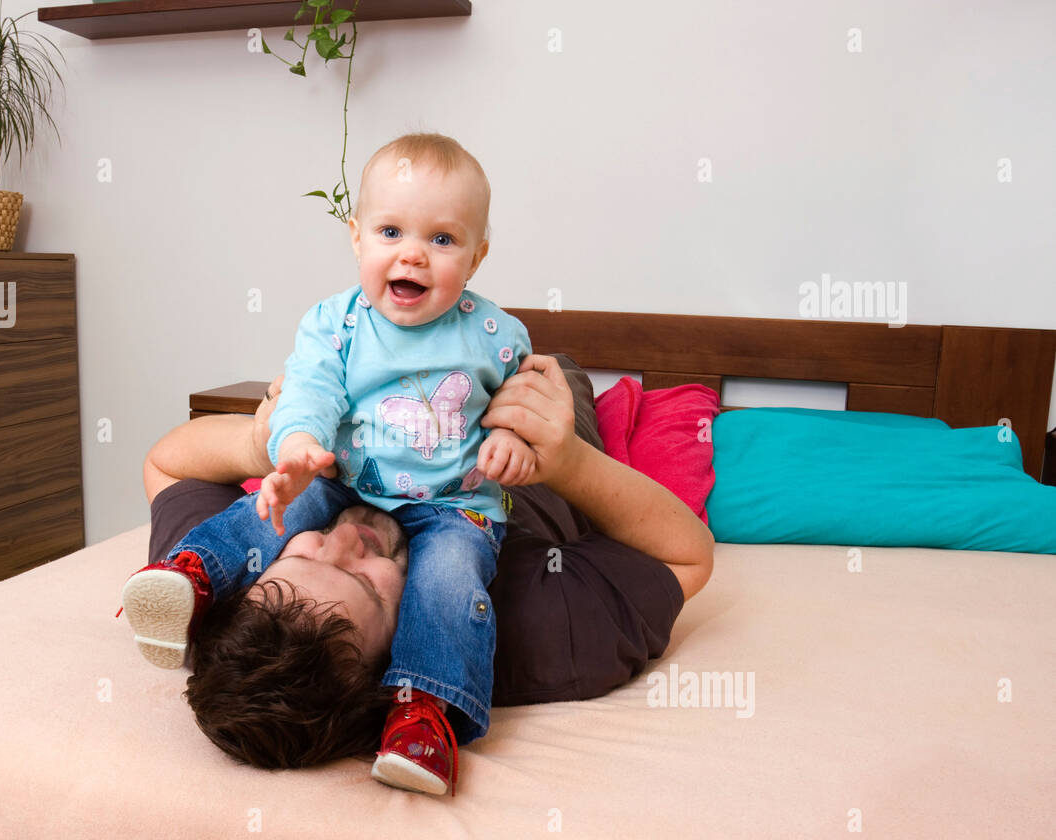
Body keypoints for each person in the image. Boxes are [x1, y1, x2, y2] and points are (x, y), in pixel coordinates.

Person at [120, 133, 545, 795]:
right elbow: (313, 390)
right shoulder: (334, 324)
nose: (412, 253)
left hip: (452, 508)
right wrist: (294, 448)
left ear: (478, 255)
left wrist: (515, 445)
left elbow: (517, 408)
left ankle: (423, 711)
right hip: (343, 475)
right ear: (357, 239)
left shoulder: (496, 336)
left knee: (449, 580)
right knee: (271, 512)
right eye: (390, 230)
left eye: (442, 240)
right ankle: (194, 577)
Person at [135, 351, 715, 795]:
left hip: (415, 398)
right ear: (402, 657)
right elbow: (686, 555)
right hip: (532, 422)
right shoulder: (524, 627)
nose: (345, 537)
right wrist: (566, 460)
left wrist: (257, 443)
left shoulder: (225, 605)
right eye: (365, 582)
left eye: (303, 556)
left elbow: (165, 464)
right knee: (555, 381)